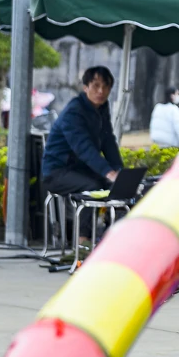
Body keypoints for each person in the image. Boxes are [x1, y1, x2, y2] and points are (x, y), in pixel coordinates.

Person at [40, 67, 123, 243]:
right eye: (96, 86)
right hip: (56, 172)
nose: (101, 91)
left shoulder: (102, 107)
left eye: (106, 87)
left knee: (116, 186)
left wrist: (119, 172)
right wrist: (108, 172)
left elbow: (108, 141)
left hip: (79, 169)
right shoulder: (74, 111)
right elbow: (83, 148)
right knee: (92, 187)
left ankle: (112, 237)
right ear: (85, 87)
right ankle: (82, 242)